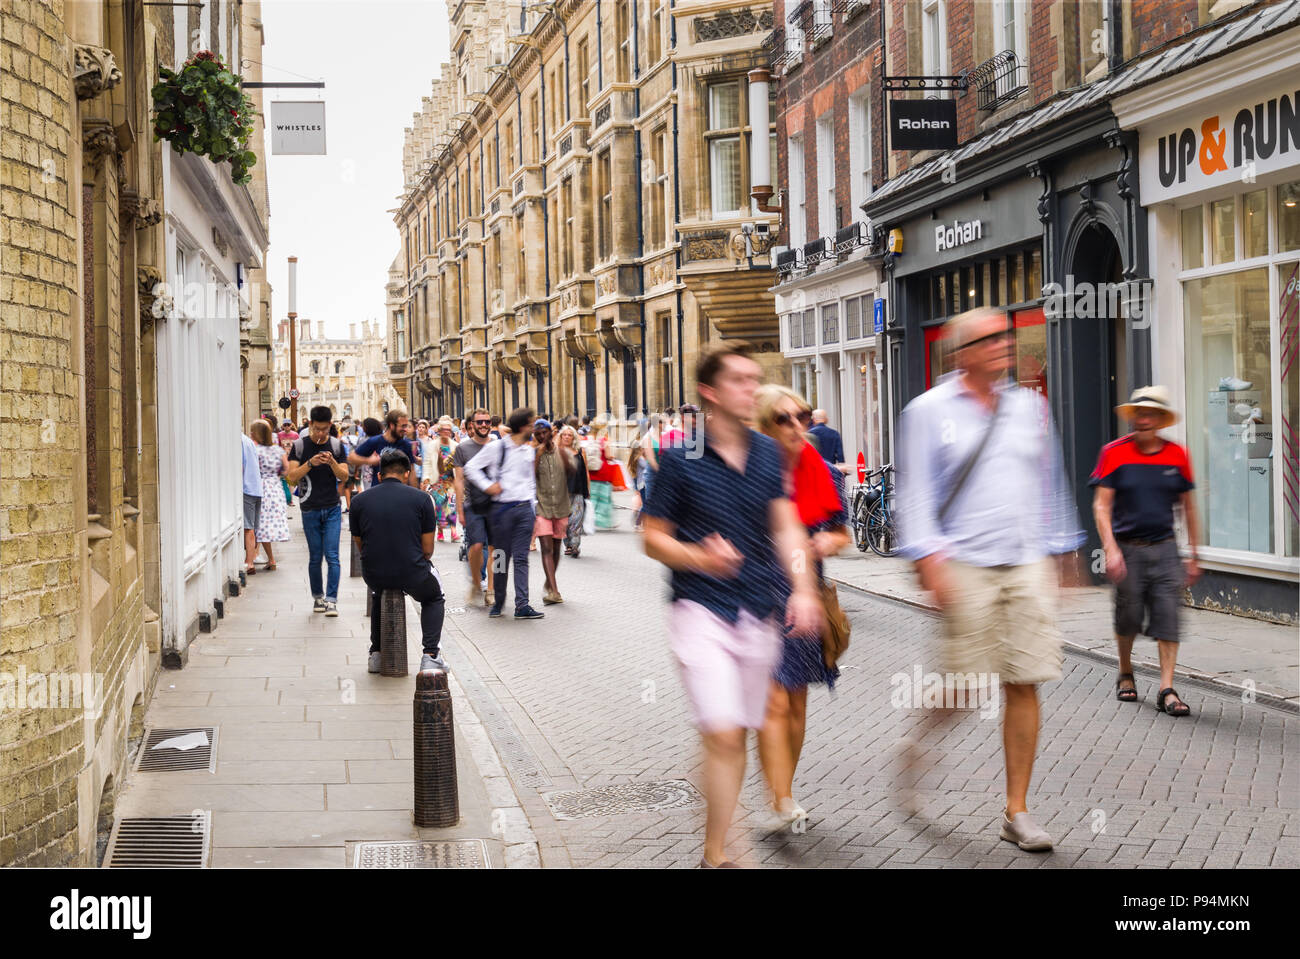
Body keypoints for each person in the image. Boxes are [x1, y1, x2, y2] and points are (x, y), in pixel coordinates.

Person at [896, 306, 1084, 852]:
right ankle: (920, 744)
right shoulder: (928, 411)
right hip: (965, 563)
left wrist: (1063, 551)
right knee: (966, 685)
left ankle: (1016, 811)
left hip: (1024, 561)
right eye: (991, 339)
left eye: (1007, 336)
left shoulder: (1029, 406)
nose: (1005, 344)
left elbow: (1049, 480)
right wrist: (929, 561)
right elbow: (916, 495)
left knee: (1023, 680)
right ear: (962, 353)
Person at [641, 346, 825, 868]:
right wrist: (696, 555)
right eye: (740, 380)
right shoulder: (681, 458)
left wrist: (805, 587)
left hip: (758, 606)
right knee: (723, 731)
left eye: (755, 379)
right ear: (711, 392)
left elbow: (786, 524)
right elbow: (653, 539)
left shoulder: (769, 454)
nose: (752, 388)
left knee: (733, 733)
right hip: (699, 607)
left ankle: (717, 839)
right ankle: (719, 855)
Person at [754, 386, 850, 829]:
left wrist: (829, 540)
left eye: (803, 415)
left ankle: (783, 790)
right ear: (762, 425)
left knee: (794, 700)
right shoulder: (746, 473)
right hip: (754, 593)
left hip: (804, 594)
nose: (797, 425)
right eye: (783, 418)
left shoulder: (824, 472)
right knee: (772, 701)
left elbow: (841, 531)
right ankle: (780, 796)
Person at [1091, 386, 1201, 717]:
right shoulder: (1113, 452)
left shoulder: (1177, 454)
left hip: (1166, 548)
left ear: (1160, 420)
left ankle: (1166, 688)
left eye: (1150, 414)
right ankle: (1126, 670)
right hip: (1128, 549)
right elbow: (1101, 505)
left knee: (1168, 617)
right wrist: (1110, 549)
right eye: (1139, 413)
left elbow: (1189, 507)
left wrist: (1195, 554)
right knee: (1128, 617)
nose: (1143, 419)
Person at [350, 448, 447, 673]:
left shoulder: (359, 501)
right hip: (411, 571)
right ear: (406, 473)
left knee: (378, 593)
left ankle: (376, 653)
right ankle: (431, 654)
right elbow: (428, 550)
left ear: (380, 475)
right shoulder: (423, 499)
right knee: (434, 596)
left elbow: (360, 544)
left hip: (374, 573)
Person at [464, 407, 545, 620]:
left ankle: (522, 605)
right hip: (501, 511)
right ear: (522, 426)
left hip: (524, 510)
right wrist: (488, 486)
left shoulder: (528, 451)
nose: (533, 428)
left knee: (521, 558)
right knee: (500, 557)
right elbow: (470, 468)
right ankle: (498, 601)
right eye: (530, 424)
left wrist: (532, 508)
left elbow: (530, 482)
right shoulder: (497, 448)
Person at [285, 406, 350, 615]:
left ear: (330, 426)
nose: (321, 433)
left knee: (332, 556)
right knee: (315, 556)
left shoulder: (337, 446)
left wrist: (332, 462)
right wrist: (310, 463)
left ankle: (332, 600)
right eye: (317, 429)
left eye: (325, 429)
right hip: (310, 508)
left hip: (332, 507)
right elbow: (291, 477)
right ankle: (318, 598)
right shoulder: (300, 446)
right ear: (310, 425)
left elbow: (345, 476)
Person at [453, 409, 494, 606]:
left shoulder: (498, 446)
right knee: (476, 546)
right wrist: (460, 508)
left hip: (496, 504)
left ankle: (492, 590)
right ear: (472, 426)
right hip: (472, 504)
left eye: (487, 422)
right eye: (480, 422)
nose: (484, 425)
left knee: (496, 549)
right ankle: (477, 583)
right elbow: (459, 480)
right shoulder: (463, 449)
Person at [532, 419, 574, 604]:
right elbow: (529, 477)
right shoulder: (534, 453)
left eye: (544, 432)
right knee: (546, 548)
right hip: (542, 507)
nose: (542, 436)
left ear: (551, 432)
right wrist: (537, 455)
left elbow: (573, 473)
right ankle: (554, 591)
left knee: (557, 548)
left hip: (561, 507)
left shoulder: (562, 453)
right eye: (538, 434)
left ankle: (549, 583)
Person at [250, 420, 290, 569]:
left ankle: (257, 556)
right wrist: (276, 475)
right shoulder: (278, 450)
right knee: (265, 524)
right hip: (275, 487)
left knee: (258, 523)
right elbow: (286, 469)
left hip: (259, 486)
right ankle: (267, 558)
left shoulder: (255, 450)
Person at [350, 409, 419, 489]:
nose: (405, 429)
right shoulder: (375, 441)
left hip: (400, 492)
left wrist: (415, 493)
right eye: (403, 426)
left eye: (406, 426)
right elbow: (351, 458)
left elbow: (412, 471)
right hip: (378, 492)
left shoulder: (405, 444)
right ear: (392, 425)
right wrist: (369, 460)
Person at [584, 418, 626, 529]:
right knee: (605, 499)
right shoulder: (604, 440)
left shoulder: (587, 438)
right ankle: (606, 521)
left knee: (592, 497)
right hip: (603, 472)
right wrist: (613, 457)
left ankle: (588, 519)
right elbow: (608, 456)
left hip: (591, 471)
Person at [559, 425, 589, 557]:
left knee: (576, 519)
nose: (566, 437)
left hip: (577, 490)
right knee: (564, 521)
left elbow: (585, 471)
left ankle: (575, 545)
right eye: (564, 434)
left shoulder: (580, 451)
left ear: (573, 438)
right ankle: (568, 544)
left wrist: (588, 490)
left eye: (569, 435)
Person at [428, 418, 459, 541]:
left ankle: (453, 531)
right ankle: (440, 530)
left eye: (449, 430)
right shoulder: (433, 445)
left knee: (451, 505)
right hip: (437, 479)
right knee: (441, 504)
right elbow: (428, 463)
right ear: (439, 431)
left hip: (451, 479)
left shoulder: (455, 445)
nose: (446, 432)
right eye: (444, 430)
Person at [807, 409, 850, 497]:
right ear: (826, 419)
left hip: (813, 478)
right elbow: (841, 458)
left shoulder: (809, 435)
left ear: (814, 419)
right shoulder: (834, 434)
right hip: (831, 477)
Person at [241, 425, 263, 577]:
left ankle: (249, 562)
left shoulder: (238, 442)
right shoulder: (248, 441)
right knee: (253, 527)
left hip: (247, 488)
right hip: (256, 488)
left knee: (248, 527)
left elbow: (241, 467)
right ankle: (252, 557)